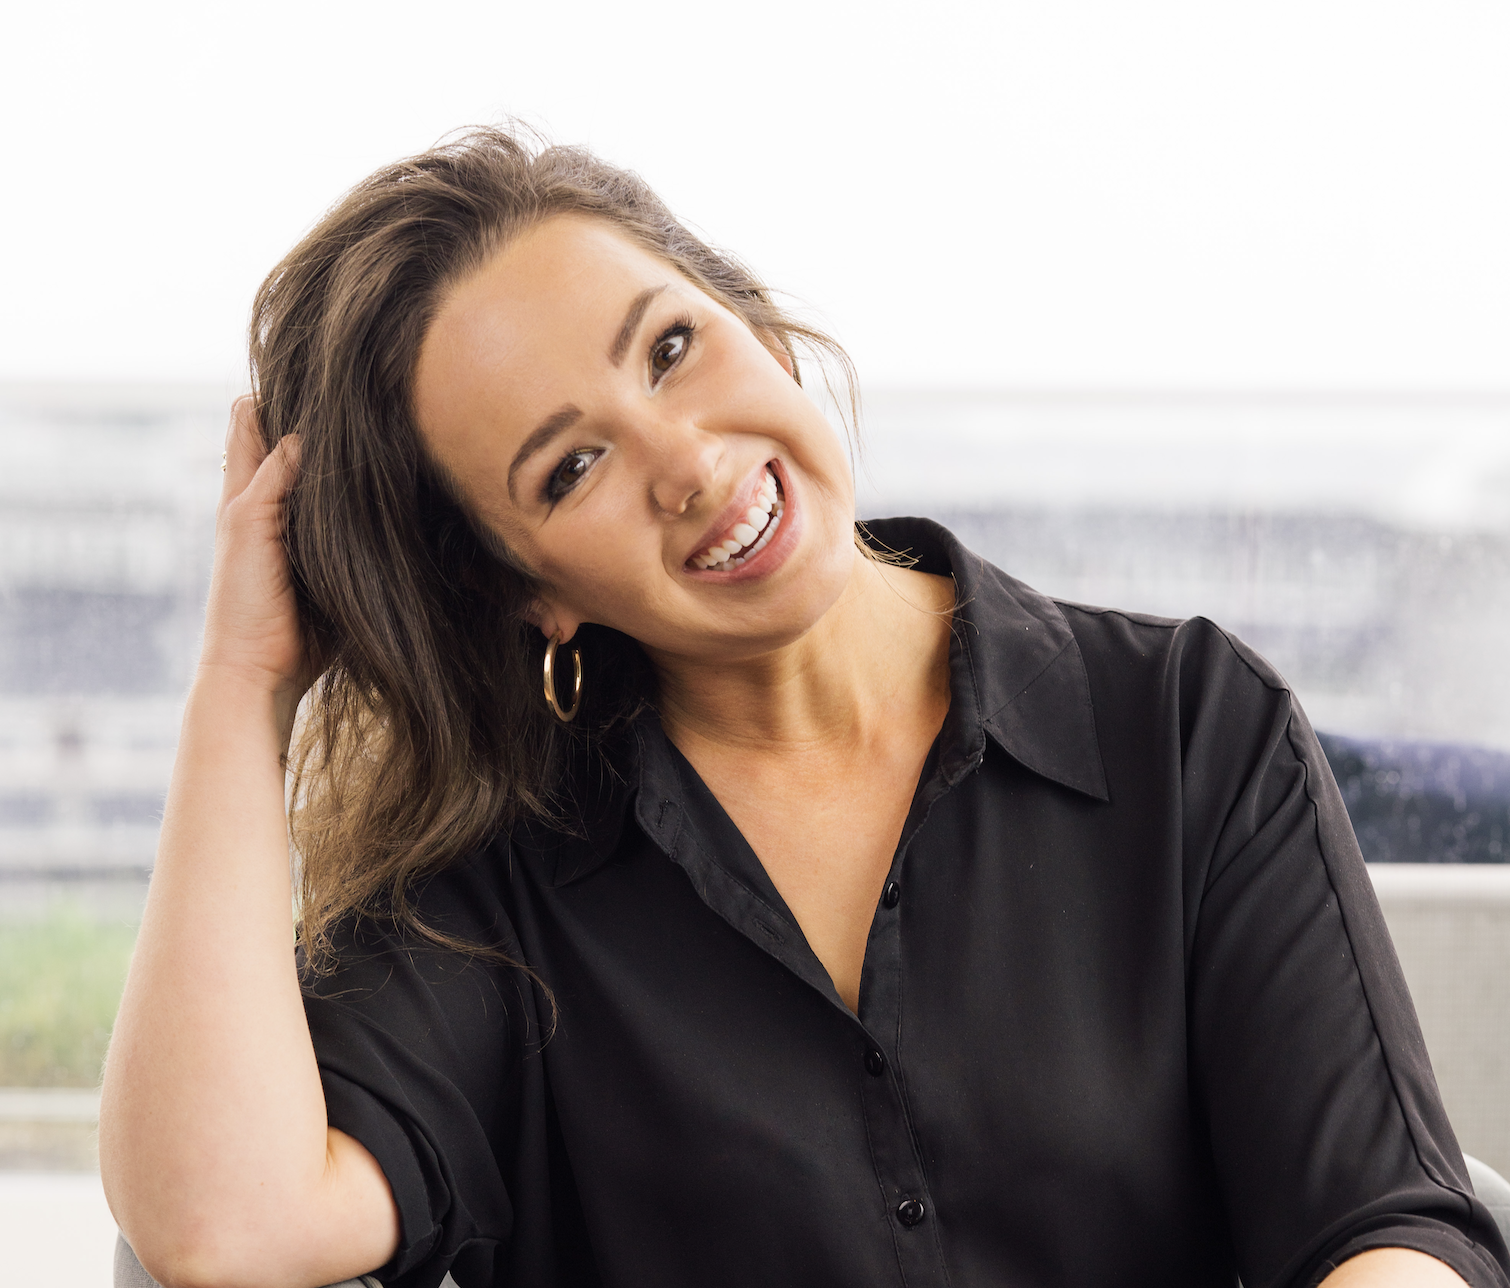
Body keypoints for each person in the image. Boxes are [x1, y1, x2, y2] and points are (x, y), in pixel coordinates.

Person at [99, 128, 1510, 1288]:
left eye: (669, 348)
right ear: (528, 590)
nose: (687, 464)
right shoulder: (499, 888)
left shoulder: (1184, 726)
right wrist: (242, 684)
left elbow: (1384, 1225)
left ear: (758, 326)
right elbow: (225, 1227)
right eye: (569, 469)